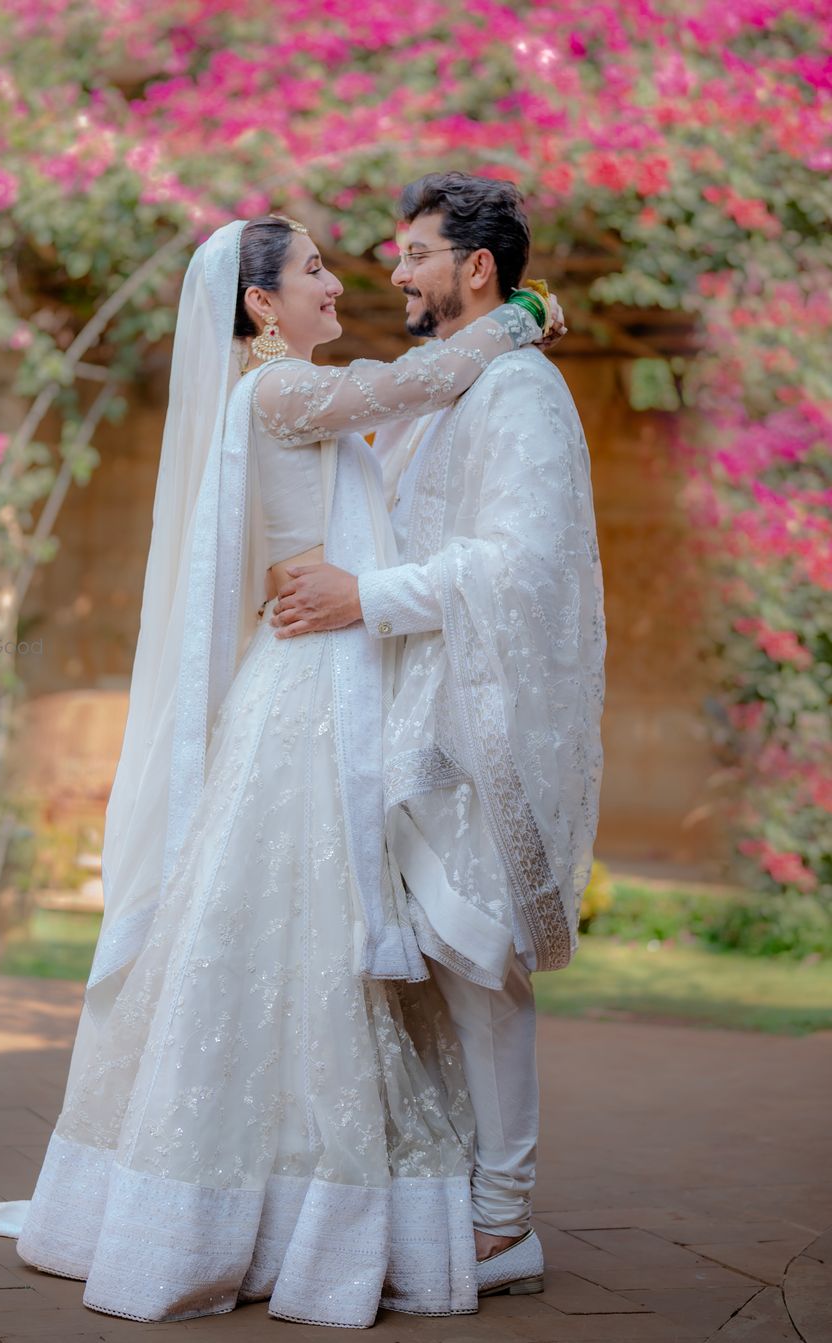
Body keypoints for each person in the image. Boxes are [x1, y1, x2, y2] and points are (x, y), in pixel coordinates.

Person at [0, 214, 563, 1327]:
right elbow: (422, 378)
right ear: (258, 305)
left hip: (333, 680)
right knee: (300, 946)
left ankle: (312, 1202)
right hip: (309, 698)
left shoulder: (293, 394)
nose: (342, 284)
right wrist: (523, 312)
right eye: (316, 270)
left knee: (316, 946)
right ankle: (270, 1210)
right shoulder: (276, 394)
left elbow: (405, 397)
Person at [271, 173, 606, 1296]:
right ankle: (449, 1193)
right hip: (401, 703)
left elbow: (525, 565)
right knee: (422, 968)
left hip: (469, 719)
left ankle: (506, 1220)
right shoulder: (452, 388)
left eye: (414, 251)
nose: (394, 270)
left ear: (476, 266)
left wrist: (365, 595)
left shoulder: (517, 394)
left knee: (479, 962)